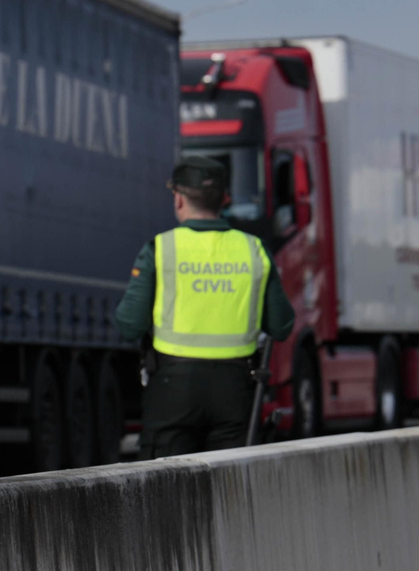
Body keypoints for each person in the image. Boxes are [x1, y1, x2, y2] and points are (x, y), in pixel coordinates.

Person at [114, 156, 295, 458]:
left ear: (179, 200)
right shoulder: (254, 250)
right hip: (236, 391)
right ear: (225, 198)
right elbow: (281, 325)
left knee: (167, 487)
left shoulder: (160, 249)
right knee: (230, 487)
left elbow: (129, 323)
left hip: (173, 390)